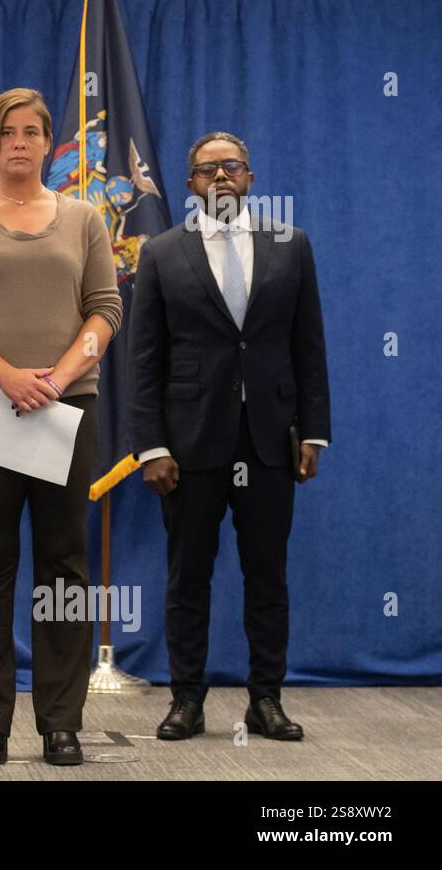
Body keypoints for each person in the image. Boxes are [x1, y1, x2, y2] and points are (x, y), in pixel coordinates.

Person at [0, 87, 122, 766]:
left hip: (67, 407)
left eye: (33, 131)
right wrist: (7, 377)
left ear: (48, 144)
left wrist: (57, 378)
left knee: (64, 567)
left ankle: (61, 722)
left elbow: (105, 312)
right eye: (7, 131)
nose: (19, 141)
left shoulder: (84, 219)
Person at [128, 131, 330, 742]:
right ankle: (186, 700)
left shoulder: (291, 246)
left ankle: (265, 700)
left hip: (270, 439)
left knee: (267, 576)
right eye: (207, 170)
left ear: (250, 177)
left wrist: (314, 432)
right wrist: (152, 446)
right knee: (187, 577)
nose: (220, 178)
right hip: (189, 447)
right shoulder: (162, 253)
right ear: (190, 184)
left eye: (232, 168)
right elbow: (145, 361)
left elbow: (309, 347)